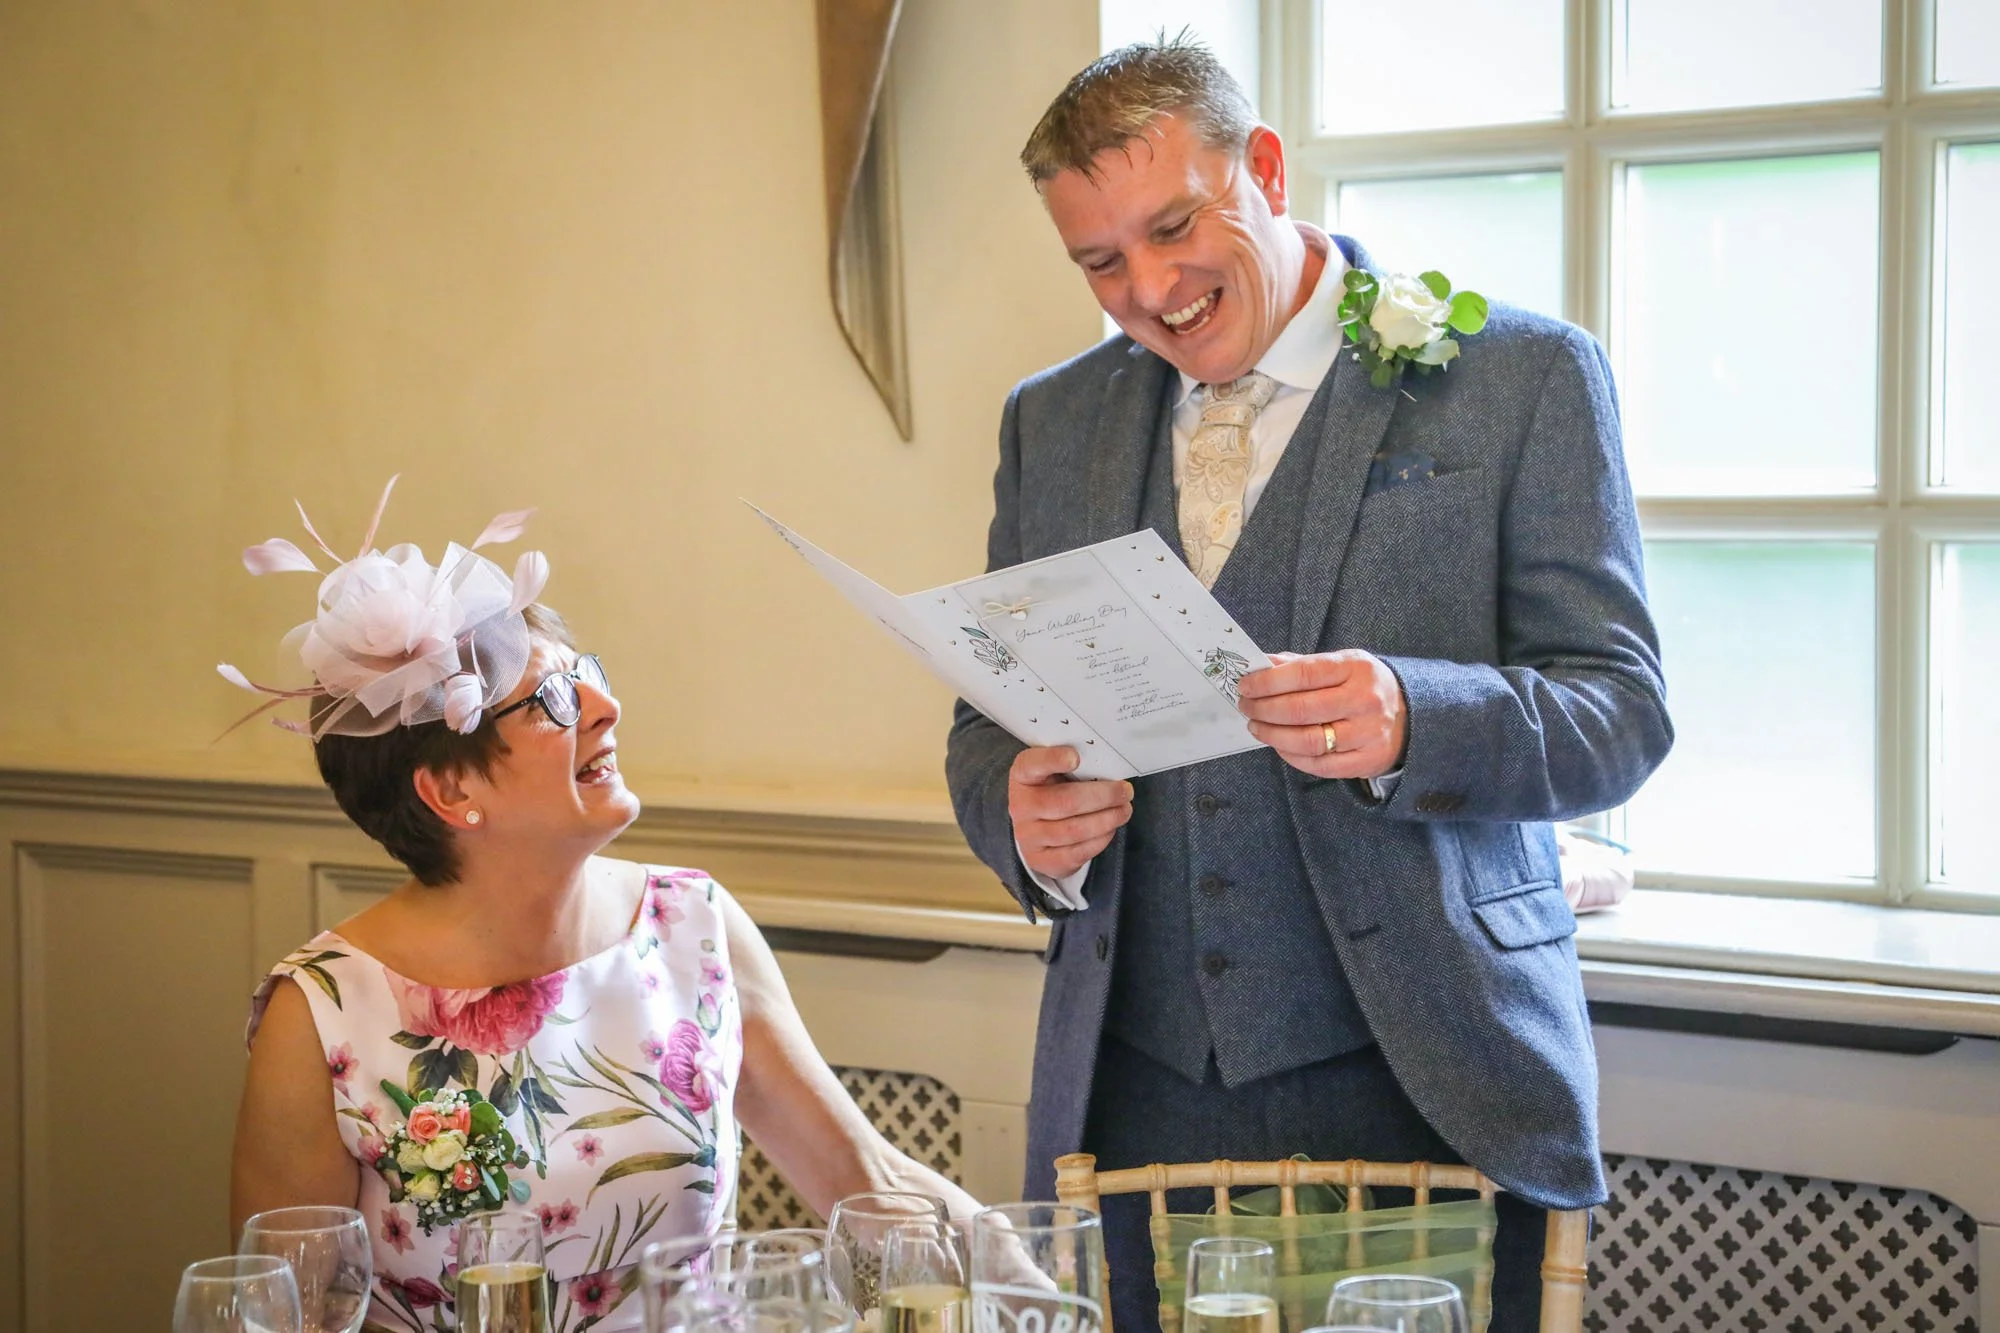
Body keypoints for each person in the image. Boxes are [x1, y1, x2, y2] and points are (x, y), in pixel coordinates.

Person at [943, 38, 1671, 1333]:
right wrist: (1018, 811)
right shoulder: (1047, 422)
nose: (1148, 289)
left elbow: (1619, 711)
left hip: (1430, 1071)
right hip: (1135, 1092)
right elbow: (985, 714)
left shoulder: (1520, 378)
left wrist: (1414, 713)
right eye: (1099, 261)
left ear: (1265, 170)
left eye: (1175, 227)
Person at [226, 485, 975, 1332]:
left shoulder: (692, 923)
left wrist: (1038, 1287)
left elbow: (869, 1182)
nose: (606, 708)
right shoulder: (319, 1012)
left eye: (588, 677)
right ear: (452, 789)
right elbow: (287, 1315)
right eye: (553, 700)